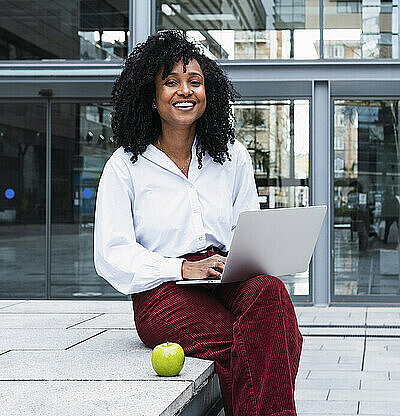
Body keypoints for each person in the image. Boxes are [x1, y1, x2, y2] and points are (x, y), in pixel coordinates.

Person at [94, 30, 303, 416]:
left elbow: (246, 225)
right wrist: (182, 268)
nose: (184, 90)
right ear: (152, 99)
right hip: (163, 290)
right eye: (170, 82)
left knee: (270, 293)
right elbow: (113, 254)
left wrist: (251, 256)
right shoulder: (125, 166)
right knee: (266, 339)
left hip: (224, 274)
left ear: (209, 94)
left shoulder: (232, 156)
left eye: (195, 81)